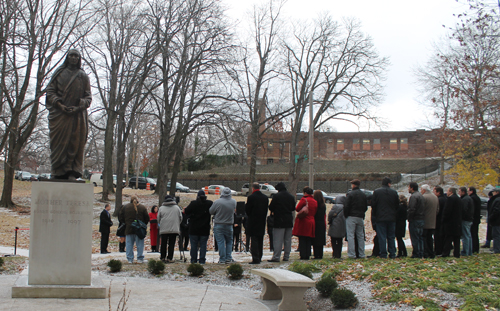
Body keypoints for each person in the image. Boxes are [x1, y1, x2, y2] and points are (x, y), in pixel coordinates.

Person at [45, 49, 92, 180]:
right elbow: (50, 91)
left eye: (76, 56)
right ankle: (57, 171)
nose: (73, 58)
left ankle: (72, 171)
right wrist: (60, 105)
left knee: (74, 142)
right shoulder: (59, 73)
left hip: (77, 117)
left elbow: (88, 98)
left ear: (79, 59)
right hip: (60, 115)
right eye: (71, 55)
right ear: (67, 57)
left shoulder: (83, 76)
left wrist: (78, 107)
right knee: (58, 144)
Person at [371, 177, 399, 259]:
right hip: (391, 218)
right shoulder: (394, 192)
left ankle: (383, 253)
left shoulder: (377, 192)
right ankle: (392, 253)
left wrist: (376, 215)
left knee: (382, 236)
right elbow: (397, 205)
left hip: (381, 218)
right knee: (391, 236)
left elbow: (373, 205)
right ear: (389, 184)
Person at [268, 182, 296, 262]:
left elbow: (271, 207)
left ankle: (276, 256)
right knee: (287, 240)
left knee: (278, 239)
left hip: (279, 220)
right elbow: (293, 208)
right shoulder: (291, 197)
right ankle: (286, 256)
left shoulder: (276, 196)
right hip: (288, 220)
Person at [119, 196, 150, 263]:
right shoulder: (142, 207)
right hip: (139, 229)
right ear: (137, 200)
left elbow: (120, 218)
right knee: (140, 244)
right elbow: (147, 218)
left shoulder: (125, 207)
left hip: (128, 228)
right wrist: (143, 224)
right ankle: (140, 258)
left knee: (129, 244)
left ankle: (130, 259)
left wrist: (126, 223)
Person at [210, 187, 237, 264]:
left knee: (220, 242)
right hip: (229, 224)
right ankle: (228, 258)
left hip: (219, 224)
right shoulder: (233, 202)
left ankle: (222, 259)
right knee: (229, 241)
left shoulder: (217, 202)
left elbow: (211, 211)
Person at [185, 190, 213, 264]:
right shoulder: (209, 203)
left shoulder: (193, 203)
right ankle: (202, 260)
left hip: (194, 228)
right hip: (205, 228)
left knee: (194, 245)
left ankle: (193, 260)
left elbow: (187, 211)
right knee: (203, 245)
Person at [245, 182, 269, 264]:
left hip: (253, 221)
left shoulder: (251, 197)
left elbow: (247, 210)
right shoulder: (265, 198)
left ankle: (255, 258)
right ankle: (260, 256)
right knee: (260, 240)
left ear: (253, 188)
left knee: (254, 240)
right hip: (262, 221)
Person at [344, 179, 368, 259]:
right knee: (360, 236)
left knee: (350, 236)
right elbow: (365, 206)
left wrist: (346, 215)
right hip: (360, 216)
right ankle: (361, 254)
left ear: (353, 185)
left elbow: (346, 206)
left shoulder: (350, 194)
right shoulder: (363, 194)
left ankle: (352, 254)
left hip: (351, 216)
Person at [292, 186, 318, 260]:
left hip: (304, 221)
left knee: (302, 239)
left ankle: (303, 254)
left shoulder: (304, 199)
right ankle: (308, 254)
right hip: (311, 221)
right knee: (309, 239)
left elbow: (297, 209)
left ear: (305, 192)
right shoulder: (314, 201)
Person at [158, 195, 182, 263]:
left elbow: (158, 218)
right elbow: (180, 217)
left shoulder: (161, 208)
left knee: (163, 243)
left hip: (164, 229)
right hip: (174, 229)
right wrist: (177, 224)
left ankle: (163, 257)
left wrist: (161, 225)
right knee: (171, 244)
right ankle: (170, 257)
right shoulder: (176, 208)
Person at [441, 187, 463, 258]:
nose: (446, 193)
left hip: (450, 223)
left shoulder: (450, 199)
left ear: (451, 192)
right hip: (458, 222)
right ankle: (457, 253)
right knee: (457, 239)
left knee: (448, 238)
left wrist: (443, 219)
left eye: (447, 191)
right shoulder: (459, 199)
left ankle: (446, 253)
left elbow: (447, 211)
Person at [421, 184, 439, 258]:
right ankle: (431, 253)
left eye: (421, 189)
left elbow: (421, 209)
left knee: (424, 238)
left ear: (424, 190)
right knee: (430, 238)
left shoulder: (424, 197)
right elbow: (437, 210)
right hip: (432, 221)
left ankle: (425, 253)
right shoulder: (435, 197)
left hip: (425, 221)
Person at [407, 182, 425, 258]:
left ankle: (416, 253)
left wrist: (409, 218)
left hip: (415, 219)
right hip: (421, 219)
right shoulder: (421, 196)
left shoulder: (414, 197)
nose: (408, 189)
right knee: (420, 237)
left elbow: (412, 209)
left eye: (409, 187)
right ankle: (421, 252)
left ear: (412, 188)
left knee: (415, 237)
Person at [459, 187, 474, 256]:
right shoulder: (468, 198)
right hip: (469, 219)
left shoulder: (465, 199)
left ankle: (465, 251)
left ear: (463, 192)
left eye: (459, 191)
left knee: (465, 236)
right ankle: (469, 251)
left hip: (465, 219)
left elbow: (463, 210)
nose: (458, 193)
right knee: (468, 235)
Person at [312, 190, 327, 259]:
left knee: (315, 239)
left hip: (315, 222)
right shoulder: (323, 205)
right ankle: (320, 254)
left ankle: (316, 254)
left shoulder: (314, 204)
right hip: (321, 222)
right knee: (321, 239)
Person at [433, 186, 447, 256]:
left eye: (434, 191)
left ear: (438, 192)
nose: (433, 193)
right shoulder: (445, 199)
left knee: (438, 237)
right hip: (443, 220)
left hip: (438, 220)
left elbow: (437, 211)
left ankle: (438, 250)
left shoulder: (439, 200)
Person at [468, 187, 481, 254]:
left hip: (473, 219)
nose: (467, 192)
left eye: (468, 191)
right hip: (477, 218)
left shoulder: (472, 198)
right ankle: (476, 248)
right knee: (475, 234)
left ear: (471, 191)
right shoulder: (477, 198)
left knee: (472, 234)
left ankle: (474, 248)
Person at [488, 188, 500, 254]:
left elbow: (496, 211)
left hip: (496, 221)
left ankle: (497, 250)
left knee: (496, 235)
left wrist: (491, 217)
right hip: (497, 220)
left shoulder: (497, 200)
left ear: (496, 192)